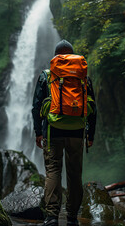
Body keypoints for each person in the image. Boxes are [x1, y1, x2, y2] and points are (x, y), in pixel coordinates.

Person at [32, 39, 97, 226]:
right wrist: (90, 135)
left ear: (56, 56)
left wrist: (38, 132)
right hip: (77, 131)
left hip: (53, 130)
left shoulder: (47, 75)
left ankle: (52, 216)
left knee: (53, 170)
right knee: (75, 173)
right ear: (73, 55)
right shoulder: (83, 77)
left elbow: (36, 107)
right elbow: (93, 107)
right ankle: (72, 217)